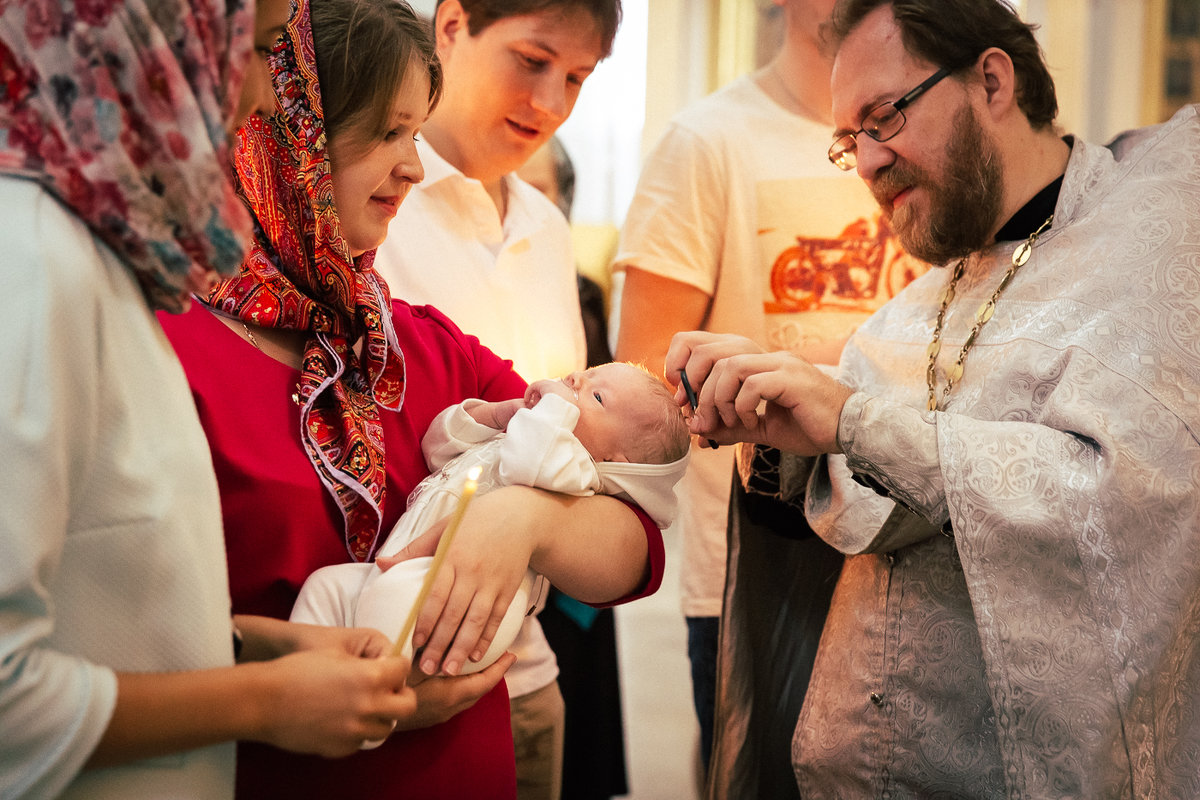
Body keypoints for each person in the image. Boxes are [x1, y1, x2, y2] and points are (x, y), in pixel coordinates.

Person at [666, 0, 1200, 797]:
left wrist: (854, 422)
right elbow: (875, 522)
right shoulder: (914, 304)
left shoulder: (1151, 248)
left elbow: (1121, 493)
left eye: (883, 118)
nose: (870, 161)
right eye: (851, 141)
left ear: (991, 79)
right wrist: (780, 433)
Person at [158, 0, 664, 797]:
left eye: (415, 132)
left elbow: (635, 540)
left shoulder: (418, 342)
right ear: (288, 133)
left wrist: (526, 519)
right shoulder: (165, 348)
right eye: (389, 134)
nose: (415, 167)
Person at [0, 2, 422, 798]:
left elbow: (99, 590)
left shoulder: (113, 254)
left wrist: (244, 647)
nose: (268, 99)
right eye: (260, 52)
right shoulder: (30, 255)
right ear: (149, 41)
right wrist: (261, 702)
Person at [609, 0, 924, 782]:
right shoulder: (708, 143)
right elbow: (643, 377)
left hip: (911, 566)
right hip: (752, 573)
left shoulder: (924, 134)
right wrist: (793, 378)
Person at [372, 3, 623, 797]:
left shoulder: (547, 228)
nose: (552, 101)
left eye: (578, 78)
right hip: (379, 650)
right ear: (451, 27)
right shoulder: (374, 200)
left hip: (521, 662)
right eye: (532, 59)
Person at [291, 362, 690, 669]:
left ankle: (366, 708)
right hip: (405, 574)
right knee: (327, 587)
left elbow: (528, 462)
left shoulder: (577, 471)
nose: (574, 383)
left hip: (458, 599)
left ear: (613, 460)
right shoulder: (525, 435)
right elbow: (437, 447)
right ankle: (304, 680)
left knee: (384, 620)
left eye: (597, 397)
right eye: (584, 375)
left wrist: (553, 405)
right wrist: (494, 415)